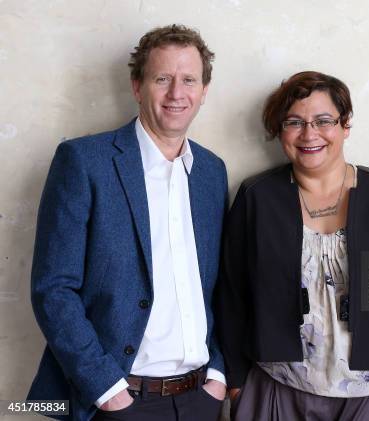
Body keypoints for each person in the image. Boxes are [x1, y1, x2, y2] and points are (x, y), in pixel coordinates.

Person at [216, 71, 369, 420]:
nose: (309, 134)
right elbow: (232, 297)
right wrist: (237, 383)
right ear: (279, 131)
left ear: (345, 125)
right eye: (294, 121)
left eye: (323, 120)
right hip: (281, 389)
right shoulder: (256, 198)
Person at [27, 24, 227, 421]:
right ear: (137, 86)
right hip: (116, 399)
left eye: (189, 79)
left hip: (199, 400)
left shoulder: (211, 172)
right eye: (162, 79)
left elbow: (216, 286)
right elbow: (53, 288)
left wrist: (217, 376)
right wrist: (107, 391)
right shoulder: (84, 162)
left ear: (204, 90)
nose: (176, 93)